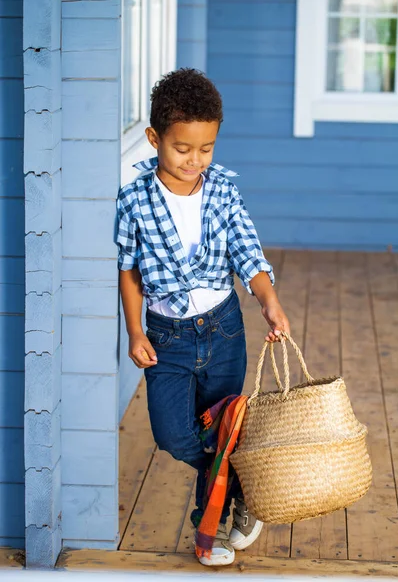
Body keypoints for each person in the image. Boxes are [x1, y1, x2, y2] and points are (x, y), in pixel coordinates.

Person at [116, 68, 290, 567]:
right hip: (165, 336)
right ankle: (244, 483)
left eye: (206, 148)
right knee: (174, 433)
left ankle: (207, 529)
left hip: (223, 327)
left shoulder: (222, 191)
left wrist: (267, 299)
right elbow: (129, 273)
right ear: (154, 140)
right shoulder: (133, 201)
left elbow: (247, 250)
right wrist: (134, 332)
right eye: (182, 149)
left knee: (222, 423)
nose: (195, 160)